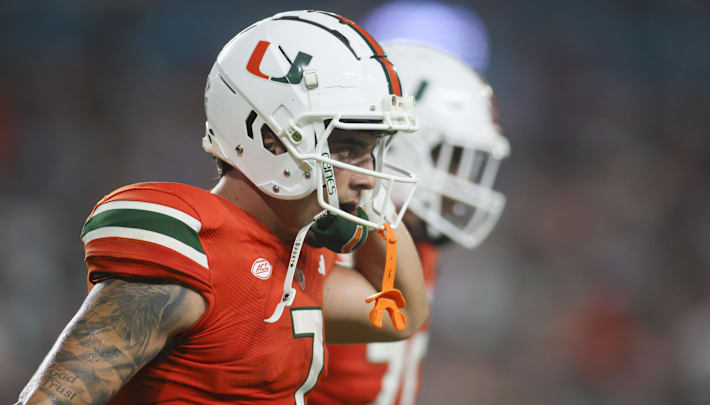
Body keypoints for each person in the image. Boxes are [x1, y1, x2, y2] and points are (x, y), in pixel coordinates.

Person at [15, 11, 429, 405]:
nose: (368, 176)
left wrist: (370, 209)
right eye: (348, 149)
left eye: (372, 153)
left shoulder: (300, 259)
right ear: (272, 140)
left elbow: (400, 313)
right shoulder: (196, 247)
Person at [308, 42, 510, 405]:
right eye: (452, 159)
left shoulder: (418, 242)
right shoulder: (322, 239)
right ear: (399, 147)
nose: (461, 183)